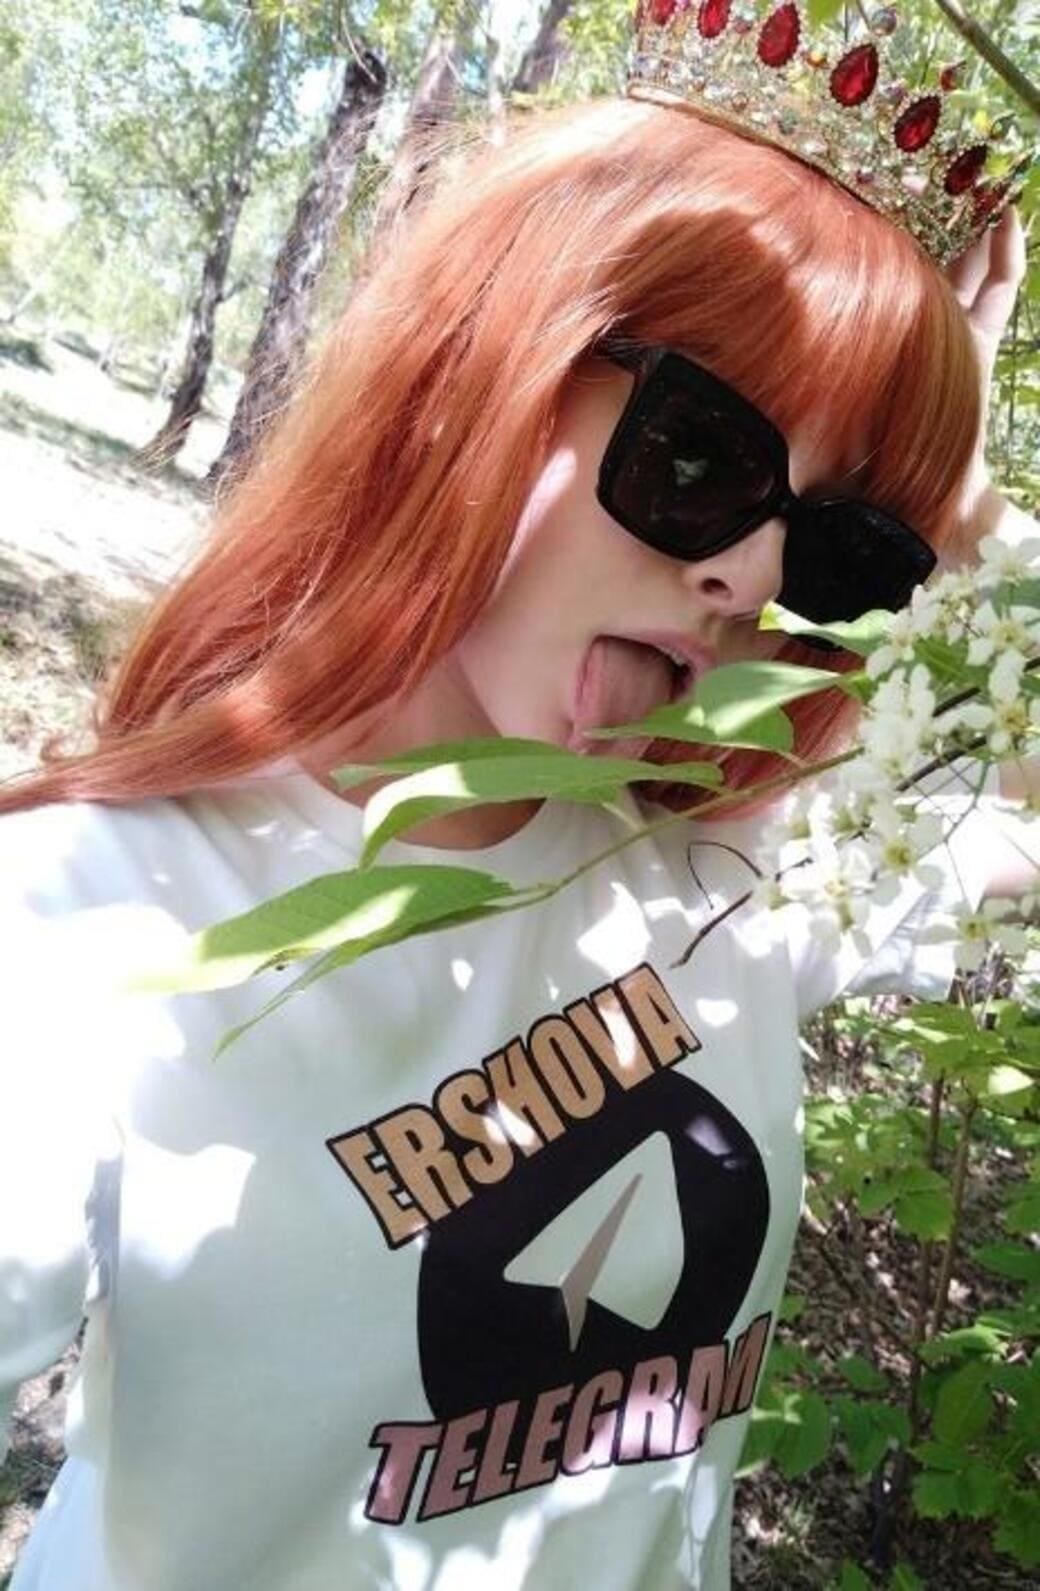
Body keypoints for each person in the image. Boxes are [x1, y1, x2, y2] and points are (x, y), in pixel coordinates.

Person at [0, 11, 1036, 1587]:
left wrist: (967, 514)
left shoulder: (730, 881)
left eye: (839, 549)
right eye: (699, 457)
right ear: (480, 369)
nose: (751, 575)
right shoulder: (91, 926)